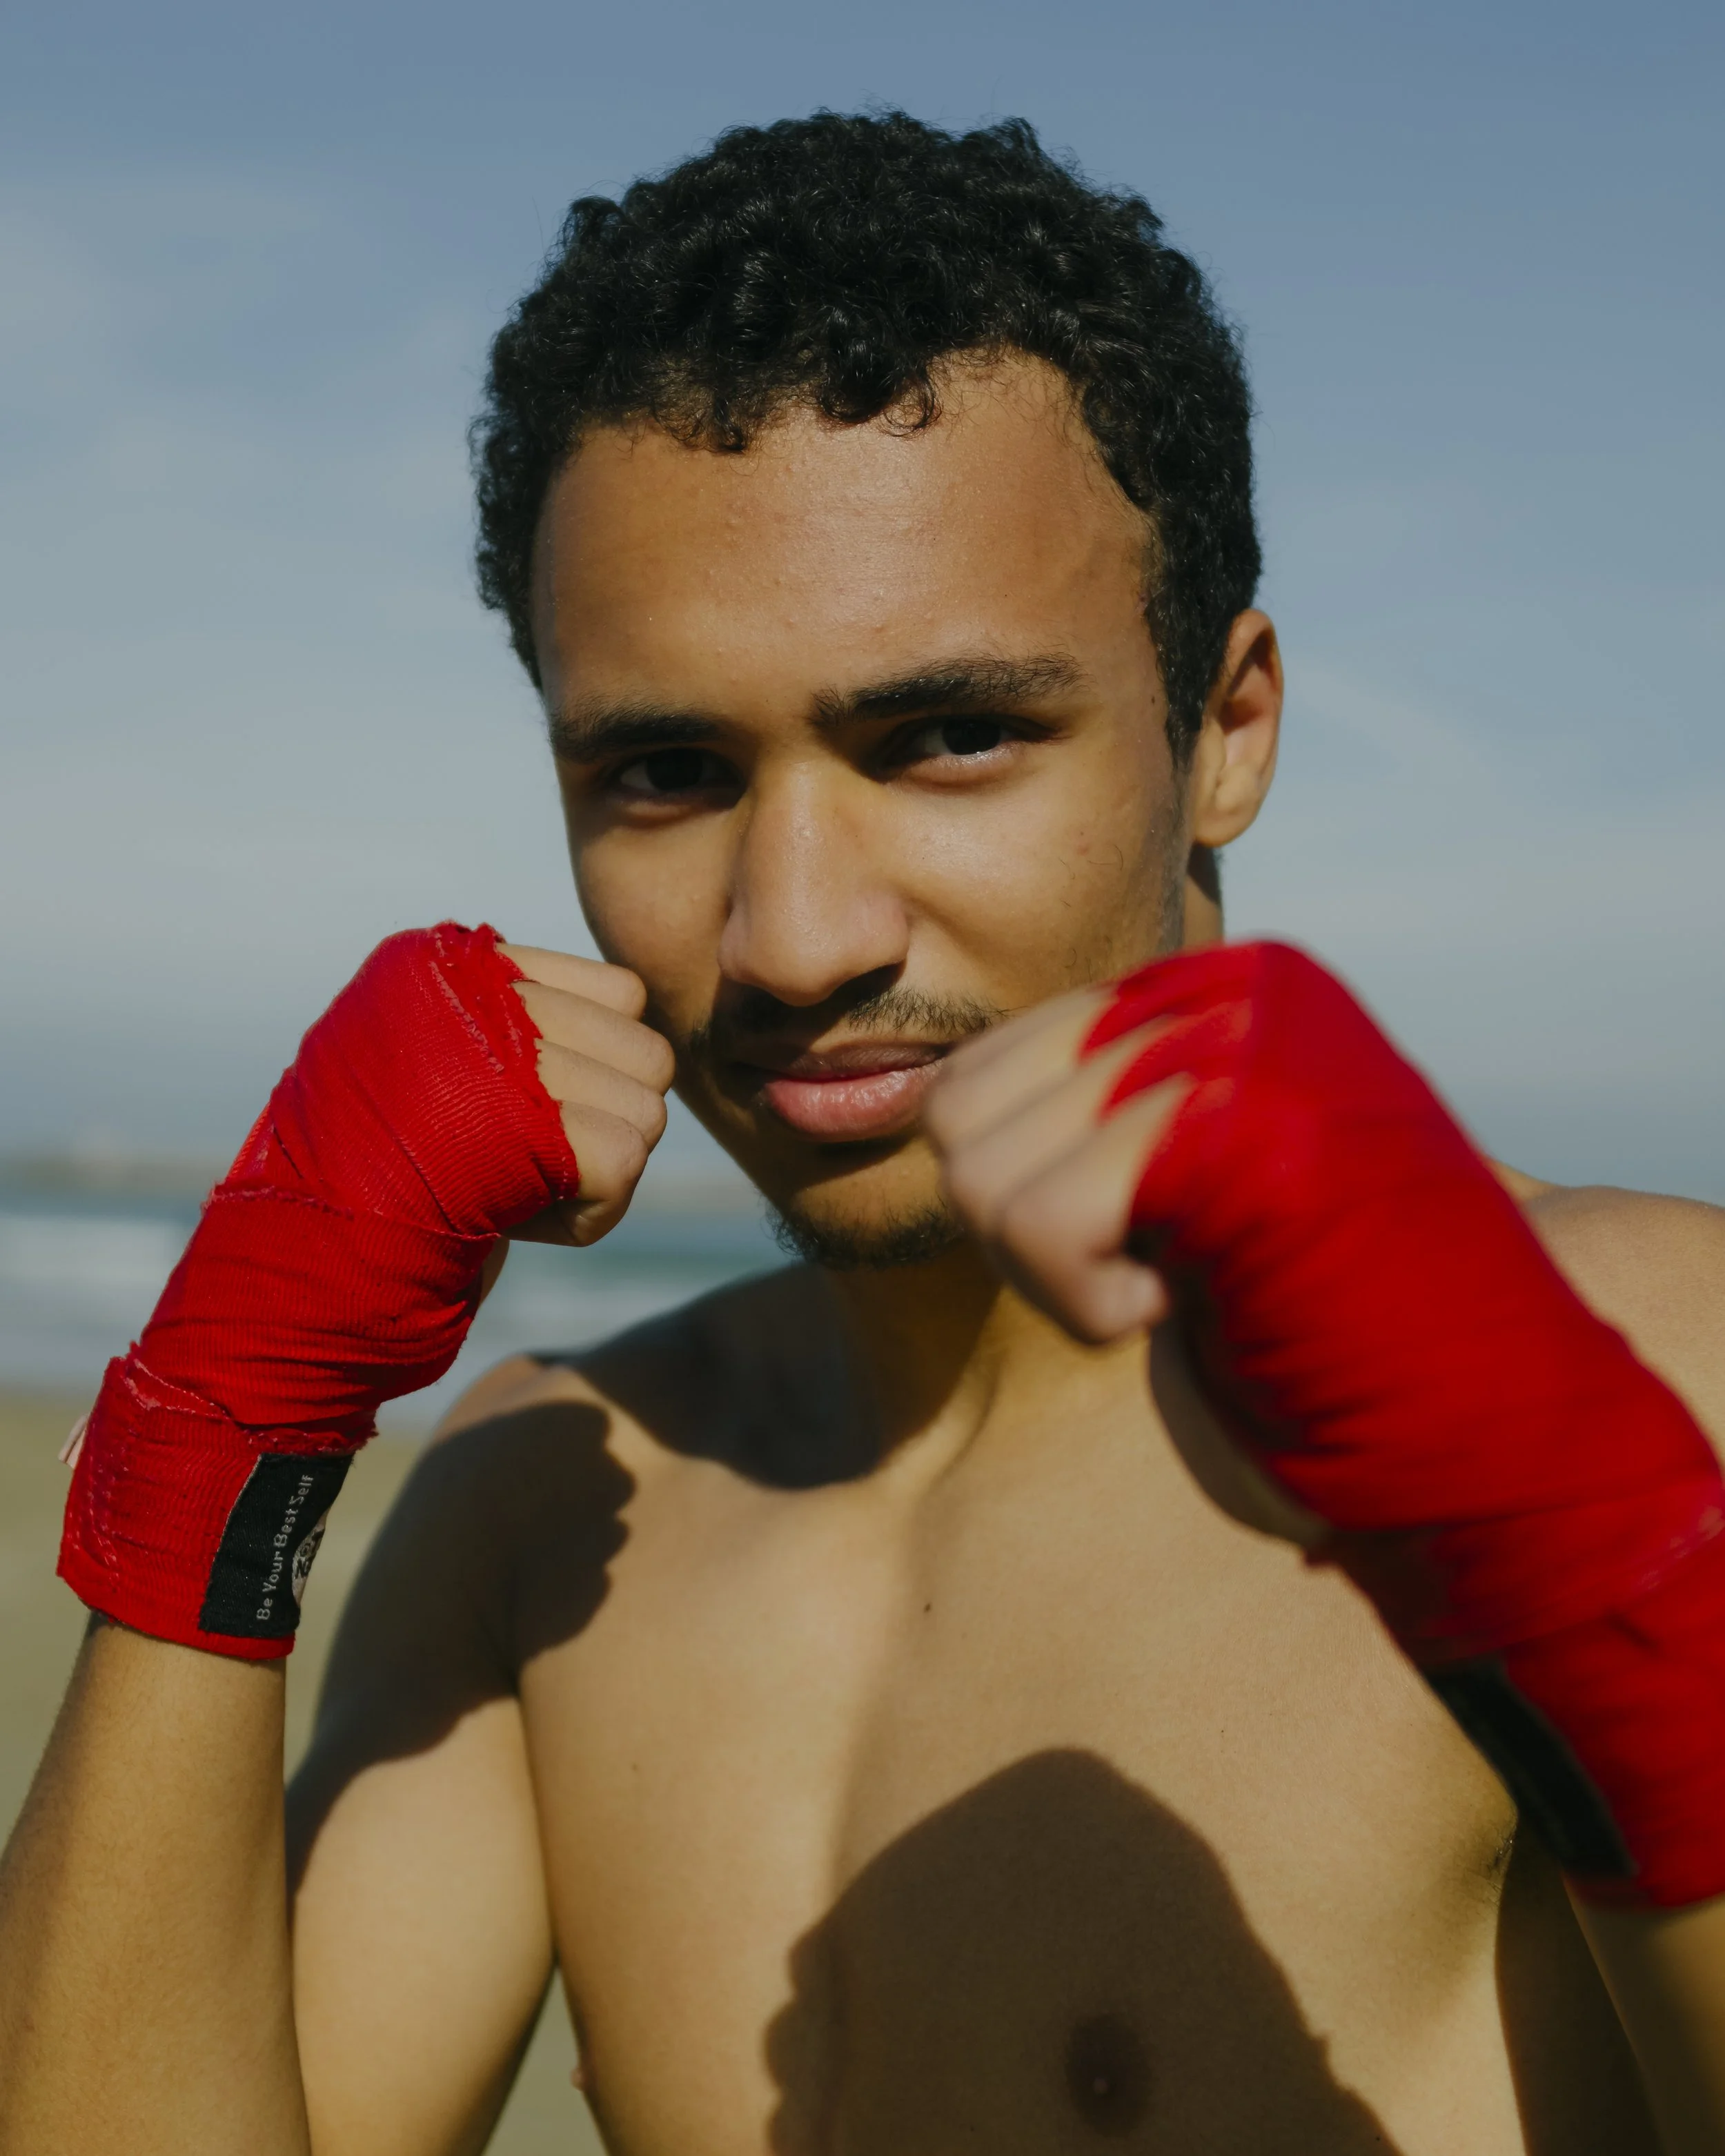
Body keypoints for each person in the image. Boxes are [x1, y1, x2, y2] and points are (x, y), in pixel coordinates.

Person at [2, 111, 1724, 2156]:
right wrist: (217, 1420)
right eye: (663, 769)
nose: (792, 934)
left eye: (951, 735)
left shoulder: (1655, 1364)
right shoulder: (548, 1507)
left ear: (1226, 728)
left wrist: (1600, 1563)